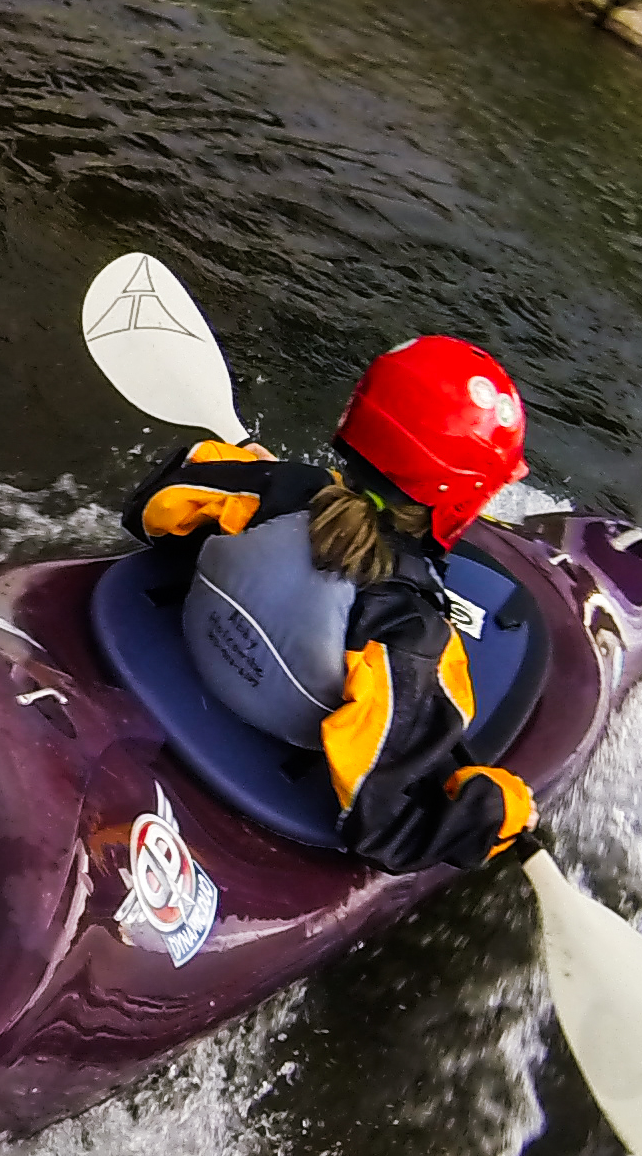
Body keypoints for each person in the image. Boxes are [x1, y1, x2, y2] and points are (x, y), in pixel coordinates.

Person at [124, 333, 540, 872]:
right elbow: (384, 826)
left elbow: (150, 508)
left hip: (190, 649)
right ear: (464, 497)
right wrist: (496, 810)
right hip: (268, 738)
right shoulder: (413, 638)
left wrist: (261, 474)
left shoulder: (273, 491)